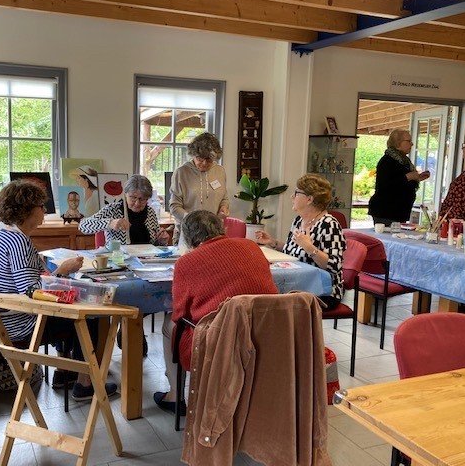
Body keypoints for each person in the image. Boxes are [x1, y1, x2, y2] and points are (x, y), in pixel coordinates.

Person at [0, 180, 116, 400]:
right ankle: (84, 383)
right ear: (26, 210)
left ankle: (64, 372)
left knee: (70, 306)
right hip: (16, 325)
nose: (44, 211)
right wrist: (62, 271)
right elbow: (33, 292)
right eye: (41, 207)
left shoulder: (3, 236)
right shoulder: (18, 242)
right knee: (90, 314)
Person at [153, 210, 279, 414]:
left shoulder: (186, 262)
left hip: (220, 340)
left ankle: (175, 396)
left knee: (170, 324)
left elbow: (180, 313)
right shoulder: (250, 246)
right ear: (222, 229)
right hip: (265, 333)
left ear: (188, 237)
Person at [256, 174, 346, 310]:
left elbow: (334, 267)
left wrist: (309, 247)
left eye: (297, 193)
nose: (292, 197)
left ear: (309, 199)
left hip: (323, 291)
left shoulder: (329, 224)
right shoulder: (299, 220)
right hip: (298, 284)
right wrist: (272, 242)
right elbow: (291, 251)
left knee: (270, 304)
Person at [169, 132, 229, 245]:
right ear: (193, 155)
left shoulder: (220, 171)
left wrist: (223, 208)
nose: (205, 163)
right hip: (188, 234)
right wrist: (193, 221)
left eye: (209, 159)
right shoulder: (181, 172)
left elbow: (224, 198)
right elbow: (174, 206)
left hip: (214, 235)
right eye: (200, 159)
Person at [79, 174, 170, 245]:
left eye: (142, 199)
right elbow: (83, 226)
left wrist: (161, 241)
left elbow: (155, 245)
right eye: (133, 198)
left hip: (146, 262)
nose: (137, 203)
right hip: (120, 261)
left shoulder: (150, 212)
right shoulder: (113, 210)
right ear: (125, 194)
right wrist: (110, 223)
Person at [368, 129, 431, 226]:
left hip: (399, 212)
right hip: (386, 211)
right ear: (398, 143)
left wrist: (417, 177)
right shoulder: (387, 161)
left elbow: (403, 182)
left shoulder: (404, 161)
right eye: (408, 141)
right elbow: (385, 186)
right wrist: (408, 176)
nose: (412, 144)